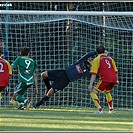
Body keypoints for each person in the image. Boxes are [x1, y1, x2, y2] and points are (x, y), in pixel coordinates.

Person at [88, 45, 119, 114]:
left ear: (97, 52)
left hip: (105, 79)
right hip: (113, 78)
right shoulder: (110, 59)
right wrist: (117, 80)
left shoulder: (97, 59)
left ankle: (100, 110)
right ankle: (111, 110)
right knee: (107, 91)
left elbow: (94, 74)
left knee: (93, 92)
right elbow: (116, 71)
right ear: (104, 51)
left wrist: (90, 85)